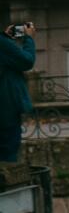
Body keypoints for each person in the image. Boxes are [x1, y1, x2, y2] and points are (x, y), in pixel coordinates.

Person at [0, 20, 32, 163]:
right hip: (6, 108)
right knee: (7, 154)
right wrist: (29, 38)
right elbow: (26, 61)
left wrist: (5, 38)